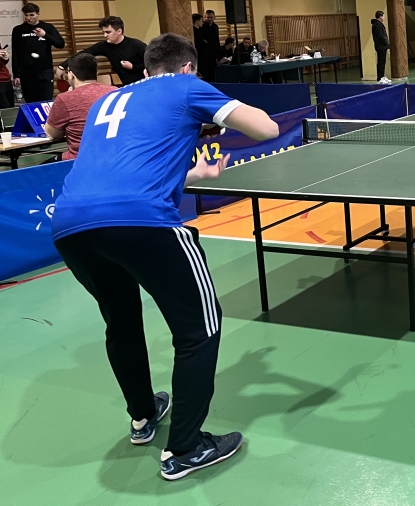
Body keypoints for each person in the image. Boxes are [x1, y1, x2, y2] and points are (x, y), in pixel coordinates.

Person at [50, 33, 279, 481]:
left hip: (72, 226)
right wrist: (212, 109)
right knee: (200, 329)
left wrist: (195, 173)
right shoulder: (185, 85)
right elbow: (266, 128)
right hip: (141, 221)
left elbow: (127, 168)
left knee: (121, 321)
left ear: (146, 68)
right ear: (187, 67)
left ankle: (142, 415)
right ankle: (186, 448)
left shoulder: (107, 101)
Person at [43, 53, 116, 160]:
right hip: (114, 157)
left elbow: (53, 133)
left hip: (80, 160)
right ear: (96, 73)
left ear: (71, 75)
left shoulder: (65, 98)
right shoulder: (115, 91)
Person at [62, 16, 147, 86]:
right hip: (128, 86)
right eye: (103, 32)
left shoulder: (137, 45)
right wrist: (62, 66)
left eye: (108, 32)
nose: (105, 35)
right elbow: (84, 53)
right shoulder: (105, 46)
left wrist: (133, 67)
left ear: (119, 31)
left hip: (145, 84)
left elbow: (152, 65)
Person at [11, 2, 65, 102]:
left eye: (31, 15)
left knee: (46, 101)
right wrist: (16, 75)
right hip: (26, 73)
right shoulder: (18, 30)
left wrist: (45, 35)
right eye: (26, 15)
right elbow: (15, 53)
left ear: (38, 14)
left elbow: (60, 44)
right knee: (31, 103)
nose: (28, 18)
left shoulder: (48, 27)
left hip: (45, 71)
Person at [198, 10, 220, 81]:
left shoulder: (215, 26)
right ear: (205, 17)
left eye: (211, 17)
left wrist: (218, 55)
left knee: (212, 73)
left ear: (214, 17)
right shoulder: (202, 26)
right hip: (205, 54)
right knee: (205, 74)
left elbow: (217, 40)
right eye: (208, 17)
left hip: (213, 53)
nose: (209, 19)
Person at [372, 10, 391, 84]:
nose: (384, 17)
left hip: (382, 46)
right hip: (381, 46)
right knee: (381, 62)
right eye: (383, 16)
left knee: (383, 62)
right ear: (380, 17)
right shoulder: (377, 25)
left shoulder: (379, 24)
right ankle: (380, 78)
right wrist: (386, 43)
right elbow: (380, 36)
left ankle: (382, 76)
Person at [0, 44, 12, 108]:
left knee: (10, 108)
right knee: (5, 108)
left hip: (6, 79)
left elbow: (2, 63)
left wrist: (5, 58)